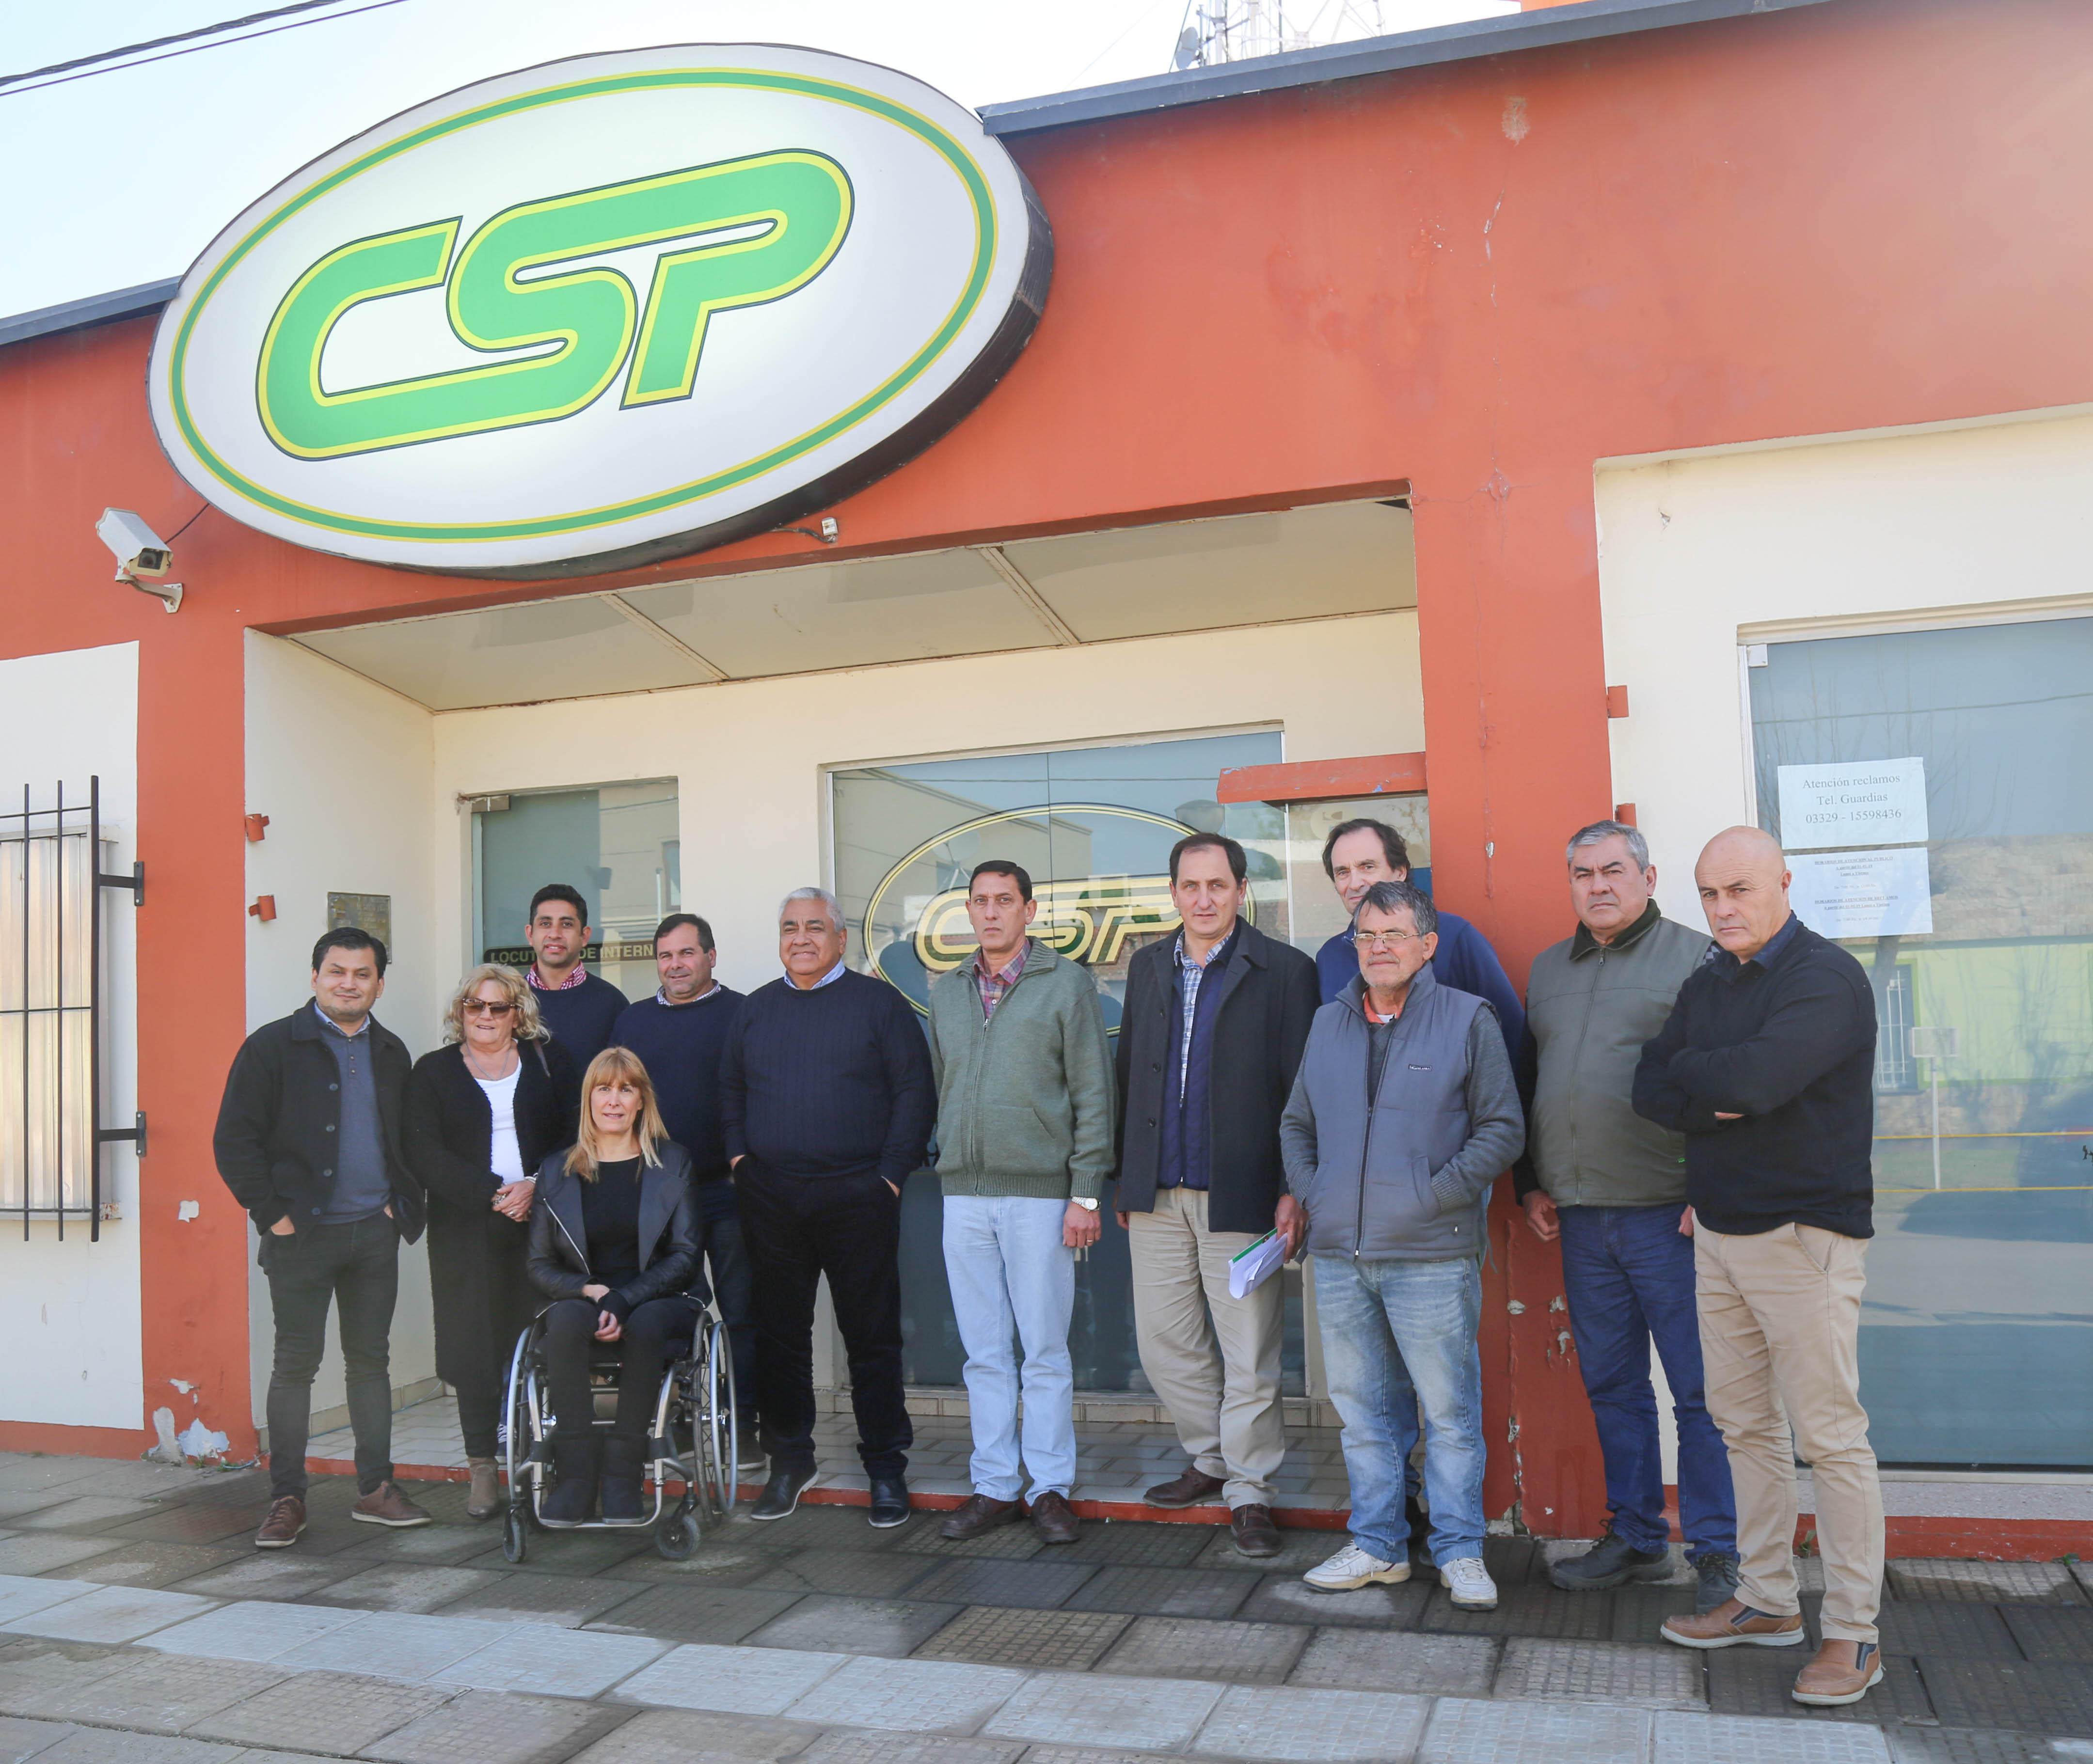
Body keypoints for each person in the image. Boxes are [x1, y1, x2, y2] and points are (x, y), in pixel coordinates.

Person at [1635, 826, 1885, 1707]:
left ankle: (1852, 1632)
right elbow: (1650, 1085)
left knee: (1830, 1438)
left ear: (1783, 882)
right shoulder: (1710, 979)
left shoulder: (1824, 978)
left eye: (1738, 890)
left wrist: (1708, 1082)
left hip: (1802, 1236)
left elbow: (1756, 1081)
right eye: (1708, 894)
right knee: (1743, 1426)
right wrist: (1718, 1088)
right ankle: (1768, 1600)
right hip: (1716, 1233)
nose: (1721, 908)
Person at [1280, 880, 1524, 1610]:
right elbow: (1295, 1123)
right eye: (1366, 935)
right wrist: (1316, 1194)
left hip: (1431, 1256)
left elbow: (1503, 1129)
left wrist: (1433, 1194)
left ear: (1427, 946)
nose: (1378, 948)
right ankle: (1379, 1546)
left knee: (1448, 1413)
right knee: (1364, 1414)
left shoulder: (1466, 1018)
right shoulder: (1328, 1021)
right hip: (1339, 1257)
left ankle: (1460, 1551)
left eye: (1394, 935)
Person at [1514, 821, 1739, 1612]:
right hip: (1579, 1217)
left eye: (1613, 870)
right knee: (1612, 1386)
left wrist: (1710, 1189)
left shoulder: (1696, 959)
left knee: (1699, 1393)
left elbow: (1727, 1083)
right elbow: (1533, 1082)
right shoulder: (1548, 969)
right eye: (1583, 873)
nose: (1598, 885)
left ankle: (1717, 1552)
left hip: (1668, 1216)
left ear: (1647, 877)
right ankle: (1638, 1537)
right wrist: (1532, 1182)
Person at [1113, 832, 1318, 1558]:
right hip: (1156, 1192)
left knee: (1249, 1352)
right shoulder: (1146, 966)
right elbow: (1127, 1072)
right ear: (1173, 893)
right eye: (1190, 886)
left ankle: (1250, 1489)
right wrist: (1124, 1177)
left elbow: (1302, 1091)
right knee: (1165, 1344)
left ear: (1240, 891)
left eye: (1218, 885)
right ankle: (1211, 1458)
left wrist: (1293, 1188)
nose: (1203, 899)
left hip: (1244, 1193)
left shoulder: (1285, 971)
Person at [722, 887, 936, 1528]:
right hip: (772, 1198)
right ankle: (790, 1461)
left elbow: (914, 1091)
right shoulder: (756, 1009)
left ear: (840, 939)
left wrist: (889, 1177)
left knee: (871, 1338)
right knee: (780, 1339)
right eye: (790, 927)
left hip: (858, 1197)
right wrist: (740, 1160)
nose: (801, 938)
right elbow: (729, 1090)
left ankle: (885, 1468)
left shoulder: (878, 1005)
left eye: (815, 927)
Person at [212, 927, 432, 1547]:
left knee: (370, 1362)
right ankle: (287, 1498)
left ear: (379, 984)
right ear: (315, 977)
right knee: (295, 1365)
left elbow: (409, 1138)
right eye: (337, 971)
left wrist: (399, 1206)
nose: (348, 984)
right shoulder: (272, 1047)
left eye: (362, 974)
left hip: (373, 1235)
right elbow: (234, 1140)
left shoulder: (391, 1050)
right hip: (301, 1237)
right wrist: (272, 1215)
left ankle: (376, 1488)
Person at [928, 860, 1116, 1546]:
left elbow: (1094, 1093)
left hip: (1040, 1195)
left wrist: (1085, 1191)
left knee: (1042, 1350)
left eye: (1004, 900)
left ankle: (1049, 1489)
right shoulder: (948, 991)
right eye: (979, 901)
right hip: (963, 1195)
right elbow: (943, 1084)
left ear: (1028, 910)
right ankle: (994, 1486)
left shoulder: (1066, 984)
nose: (990, 912)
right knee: (982, 1353)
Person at [403, 964, 578, 1518]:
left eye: (497, 1007)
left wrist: (535, 1184)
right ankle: (483, 1466)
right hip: (465, 1228)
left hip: (543, 1222)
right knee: (473, 1343)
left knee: (547, 1337)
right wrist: (491, 1192)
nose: (484, 1015)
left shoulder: (550, 1061)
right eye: (474, 1005)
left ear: (517, 1014)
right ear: (460, 1012)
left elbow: (576, 1133)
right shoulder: (433, 1071)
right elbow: (421, 1149)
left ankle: (548, 1459)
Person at [525, 1046, 702, 1523]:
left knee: (646, 1324)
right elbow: (539, 1264)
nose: (614, 1101)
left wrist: (626, 1298)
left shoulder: (673, 1162)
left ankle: (624, 1474)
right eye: (603, 1089)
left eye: (626, 1090)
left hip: (660, 1296)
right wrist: (592, 1292)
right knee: (564, 1322)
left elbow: (686, 1254)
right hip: (586, 1295)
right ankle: (577, 1476)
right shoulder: (556, 1170)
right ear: (589, 1098)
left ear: (642, 1100)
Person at [610, 913, 759, 1465]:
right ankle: (673, 1423)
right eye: (666, 955)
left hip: (728, 1193)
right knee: (669, 1313)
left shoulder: (744, 1012)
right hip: (657, 1198)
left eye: (687, 953)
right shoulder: (632, 1020)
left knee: (742, 1313)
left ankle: (744, 1428)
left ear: (711, 957)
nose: (675, 965)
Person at [1313, 819, 1524, 1057]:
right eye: (1343, 872)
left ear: (1400, 872)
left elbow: (1509, 1032)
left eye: (1368, 867)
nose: (1355, 883)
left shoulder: (1454, 936)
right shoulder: (1329, 957)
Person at [523, 884, 628, 1070]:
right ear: (530, 934)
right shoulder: (509, 1000)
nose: (555, 934)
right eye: (545, 924)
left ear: (584, 936)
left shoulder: (612, 1003)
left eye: (567, 925)